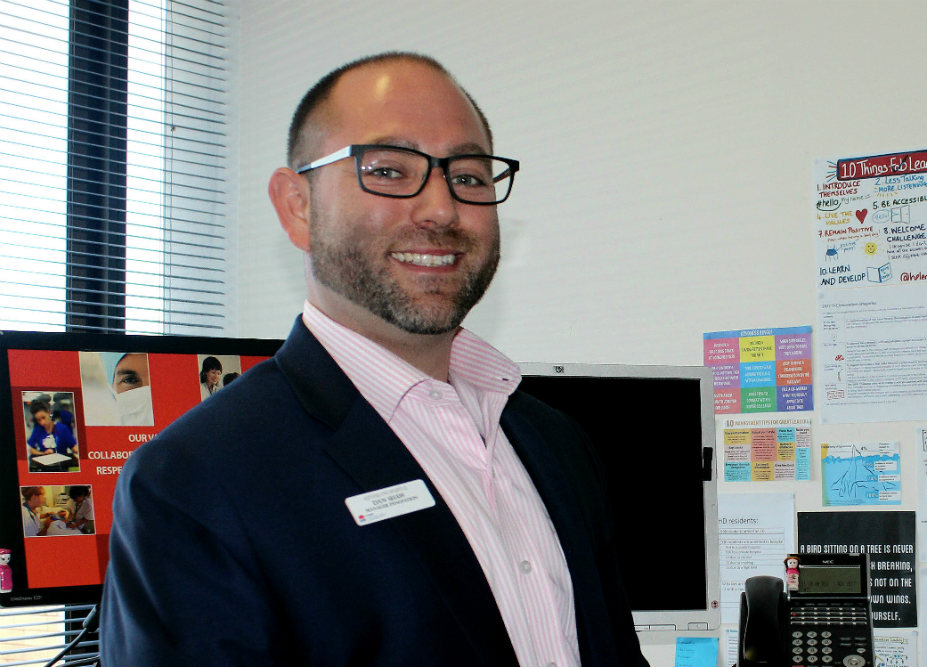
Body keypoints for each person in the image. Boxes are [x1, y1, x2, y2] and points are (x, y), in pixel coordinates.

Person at [101, 52, 646, 667]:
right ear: (297, 205)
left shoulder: (557, 445)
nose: (441, 209)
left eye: (467, 177)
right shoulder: (196, 481)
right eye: (388, 170)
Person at [26, 397, 78, 467]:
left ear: (48, 413)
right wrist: (43, 453)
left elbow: (74, 447)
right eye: (39, 420)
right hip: (45, 466)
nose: (42, 422)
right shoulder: (37, 430)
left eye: (43, 418)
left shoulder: (62, 429)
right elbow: (30, 449)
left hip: (62, 466)